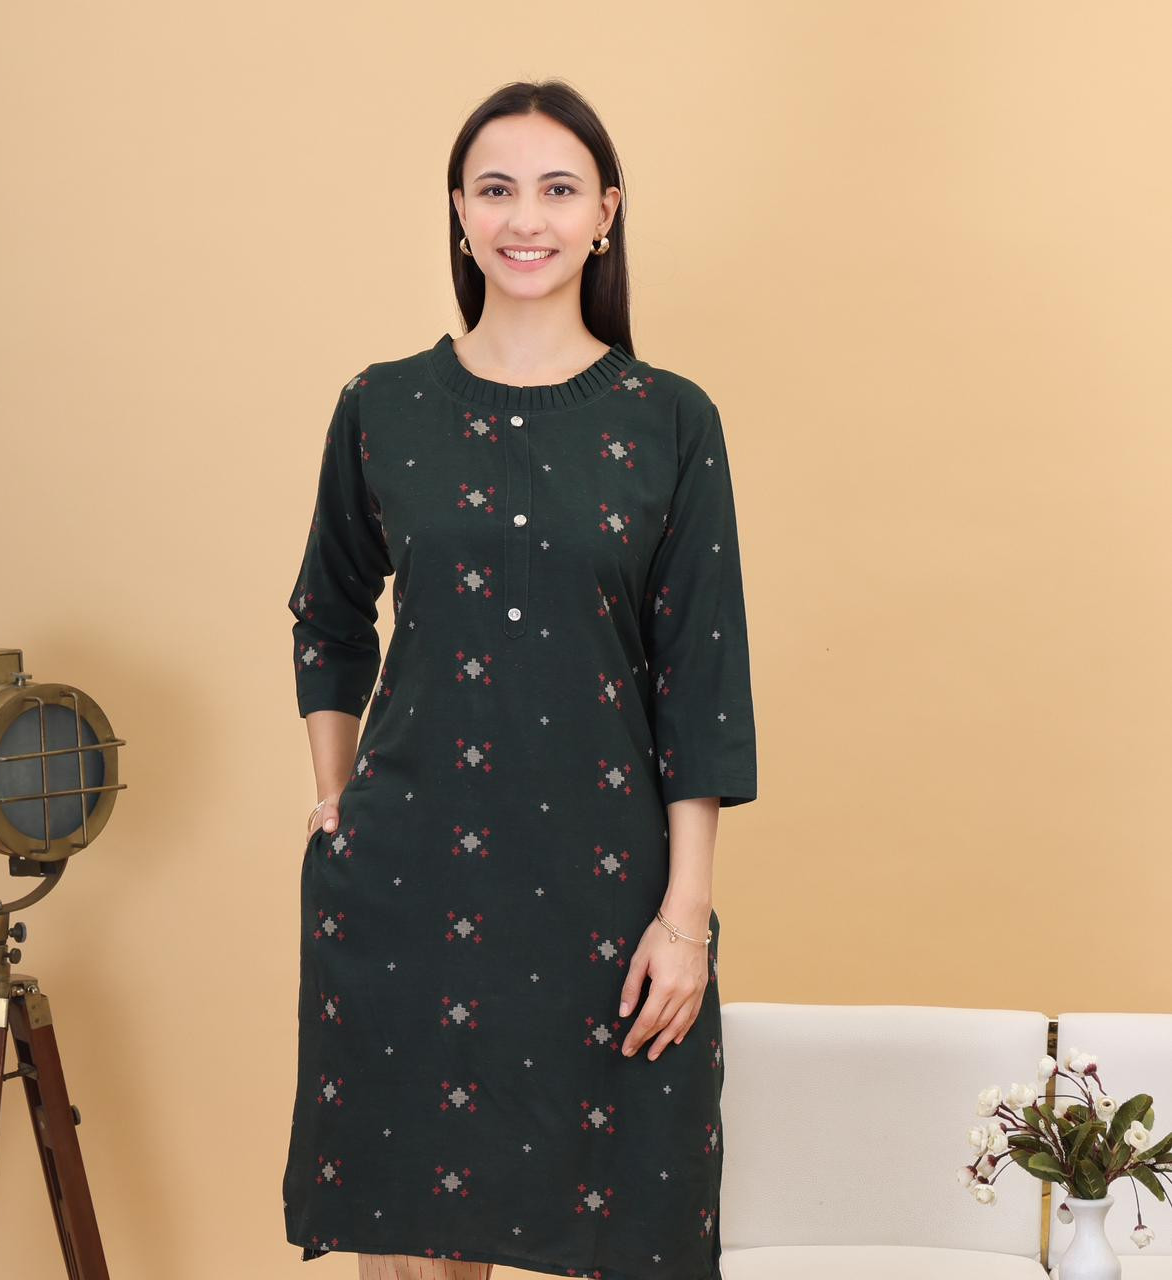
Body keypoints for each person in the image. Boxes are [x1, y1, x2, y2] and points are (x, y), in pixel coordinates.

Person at [282, 78, 758, 1280]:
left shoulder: (669, 421)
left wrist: (685, 914)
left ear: (606, 213)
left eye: (557, 189)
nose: (525, 218)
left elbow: (700, 680)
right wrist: (336, 794)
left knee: (627, 1223)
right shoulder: (382, 405)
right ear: (458, 211)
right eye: (494, 189)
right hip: (406, 884)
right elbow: (327, 612)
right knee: (412, 1236)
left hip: (605, 894)